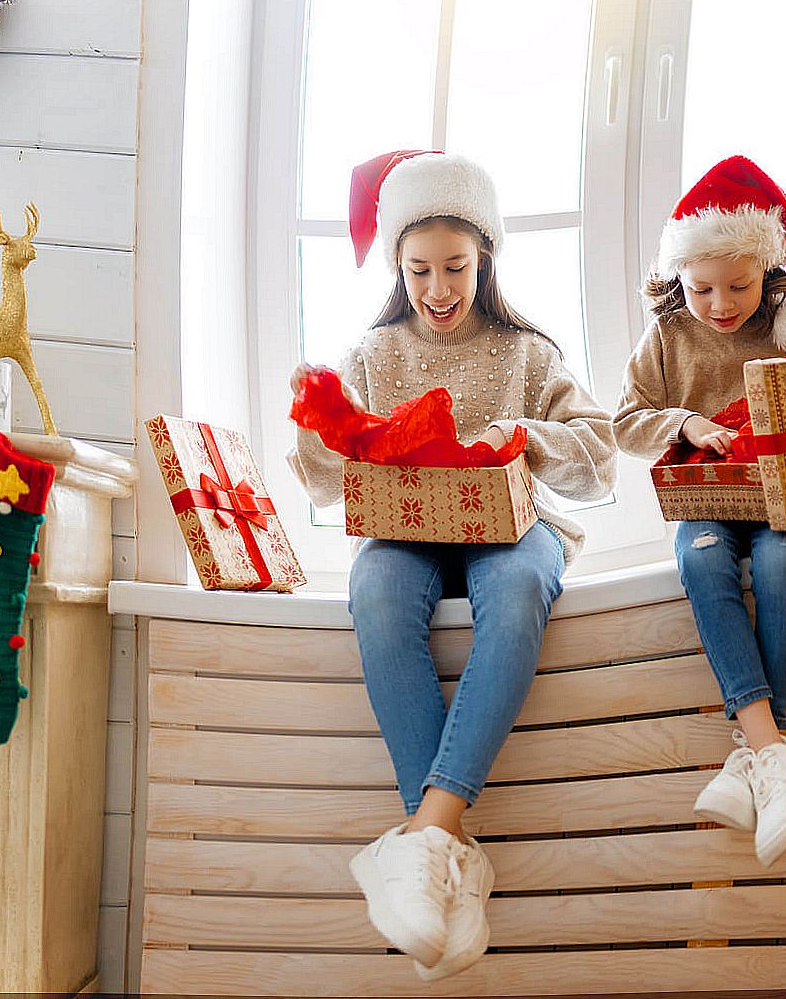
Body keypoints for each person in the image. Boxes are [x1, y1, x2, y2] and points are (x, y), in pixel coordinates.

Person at [288, 150, 617, 980]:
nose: (439, 288)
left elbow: (599, 456)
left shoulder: (529, 354)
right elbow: (329, 479)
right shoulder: (375, 353)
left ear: (487, 259)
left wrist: (522, 438)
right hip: (407, 534)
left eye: (457, 268)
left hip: (511, 531)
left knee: (515, 597)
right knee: (377, 588)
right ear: (398, 268)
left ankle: (423, 839)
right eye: (420, 269)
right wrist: (318, 418)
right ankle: (447, 849)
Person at [613, 155, 786, 865]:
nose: (721, 304)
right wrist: (685, 423)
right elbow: (625, 421)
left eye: (739, 286)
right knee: (702, 557)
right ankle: (773, 754)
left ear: (770, 273)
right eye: (702, 289)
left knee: (781, 560)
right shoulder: (666, 338)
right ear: (676, 281)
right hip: (711, 501)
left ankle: (756, 755)